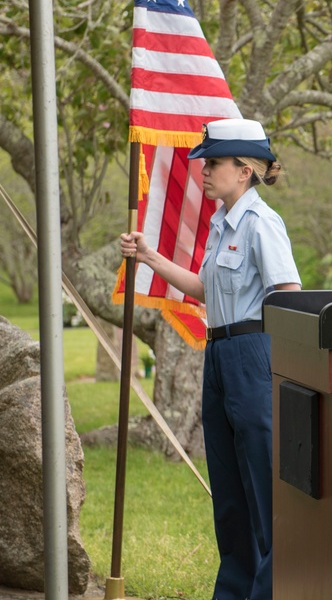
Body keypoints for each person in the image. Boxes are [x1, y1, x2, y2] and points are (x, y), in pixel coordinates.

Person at [120, 118, 301, 600]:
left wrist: (276, 360)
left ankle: (271, 589)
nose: (202, 169)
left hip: (254, 352)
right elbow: (204, 289)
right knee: (228, 483)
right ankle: (236, 588)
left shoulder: (262, 223)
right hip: (219, 351)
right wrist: (151, 257)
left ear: (244, 171)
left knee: (261, 480)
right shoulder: (222, 225)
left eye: (213, 162)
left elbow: (287, 291)